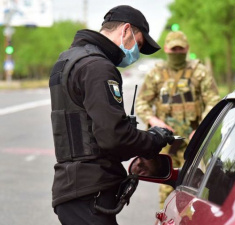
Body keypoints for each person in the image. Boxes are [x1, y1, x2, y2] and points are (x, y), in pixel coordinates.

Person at [49, 5, 174, 225]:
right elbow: (114, 136)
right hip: (90, 195)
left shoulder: (68, 61)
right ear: (125, 30)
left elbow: (88, 132)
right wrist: (154, 139)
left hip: (74, 190)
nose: (135, 53)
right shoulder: (98, 67)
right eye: (139, 43)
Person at [136, 30, 220, 208]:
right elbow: (142, 102)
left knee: (198, 190)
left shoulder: (199, 72)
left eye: (180, 49)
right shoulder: (156, 74)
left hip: (195, 144)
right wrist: (154, 121)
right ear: (166, 49)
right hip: (167, 146)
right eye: (173, 49)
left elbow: (213, 100)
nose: (177, 53)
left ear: (187, 49)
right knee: (167, 191)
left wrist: (201, 129)